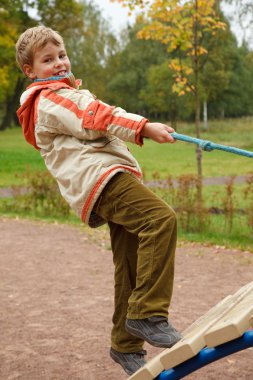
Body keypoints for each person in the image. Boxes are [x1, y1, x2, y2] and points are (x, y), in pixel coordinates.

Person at [15, 26, 182, 376]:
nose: (59, 64)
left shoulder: (61, 94)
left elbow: (95, 111)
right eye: (47, 60)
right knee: (160, 220)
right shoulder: (50, 97)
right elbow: (96, 117)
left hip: (100, 179)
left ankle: (125, 344)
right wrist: (144, 128)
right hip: (101, 179)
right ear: (30, 71)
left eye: (61, 55)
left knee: (131, 261)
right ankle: (147, 314)